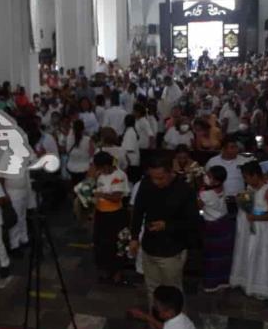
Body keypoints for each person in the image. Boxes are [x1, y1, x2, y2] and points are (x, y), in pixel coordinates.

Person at [130, 153, 199, 308]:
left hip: (172, 250)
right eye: (153, 177)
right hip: (149, 246)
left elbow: (193, 221)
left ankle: (175, 326)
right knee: (152, 288)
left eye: (160, 178)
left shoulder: (184, 189)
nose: (156, 182)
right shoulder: (146, 184)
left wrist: (167, 225)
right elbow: (138, 211)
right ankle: (155, 320)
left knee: (172, 291)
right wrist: (134, 237)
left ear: (170, 172)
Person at [229, 161, 268, 300]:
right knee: (248, 253)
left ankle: (262, 286)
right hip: (249, 230)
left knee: (261, 256)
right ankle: (247, 281)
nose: (245, 180)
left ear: (255, 175)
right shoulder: (249, 188)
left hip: (263, 231)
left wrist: (256, 216)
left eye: (247, 177)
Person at [92, 151, 130, 284]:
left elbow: (116, 197)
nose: (101, 170)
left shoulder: (119, 175)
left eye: (102, 168)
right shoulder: (100, 175)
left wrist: (100, 195)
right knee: (102, 244)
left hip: (115, 216)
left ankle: (118, 274)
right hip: (101, 214)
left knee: (117, 245)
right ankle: (106, 270)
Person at [198, 165, 234, 292]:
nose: (206, 177)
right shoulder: (221, 187)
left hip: (213, 227)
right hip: (224, 223)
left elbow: (198, 205)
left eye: (209, 176)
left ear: (217, 181)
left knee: (211, 257)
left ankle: (211, 284)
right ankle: (223, 281)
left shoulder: (206, 194)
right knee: (223, 256)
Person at [66, 119, 94, 187]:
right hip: (84, 168)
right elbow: (91, 154)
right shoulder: (87, 140)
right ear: (83, 128)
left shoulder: (69, 139)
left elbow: (67, 151)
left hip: (71, 167)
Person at [122, 114, 141, 182]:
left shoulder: (130, 133)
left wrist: (121, 151)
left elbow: (130, 148)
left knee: (131, 181)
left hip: (131, 161)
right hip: (132, 161)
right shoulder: (130, 131)